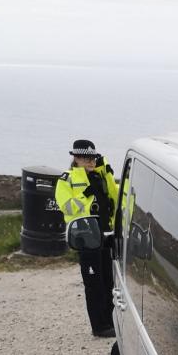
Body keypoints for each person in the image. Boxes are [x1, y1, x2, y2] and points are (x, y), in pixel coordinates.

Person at [55, 139, 120, 338]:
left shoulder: (100, 176)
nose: (89, 161)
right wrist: (85, 194)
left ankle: (111, 321)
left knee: (109, 282)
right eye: (85, 158)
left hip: (105, 235)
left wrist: (107, 173)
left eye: (92, 158)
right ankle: (99, 326)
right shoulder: (67, 180)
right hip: (86, 237)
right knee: (94, 284)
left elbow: (116, 198)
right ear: (75, 158)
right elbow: (66, 206)